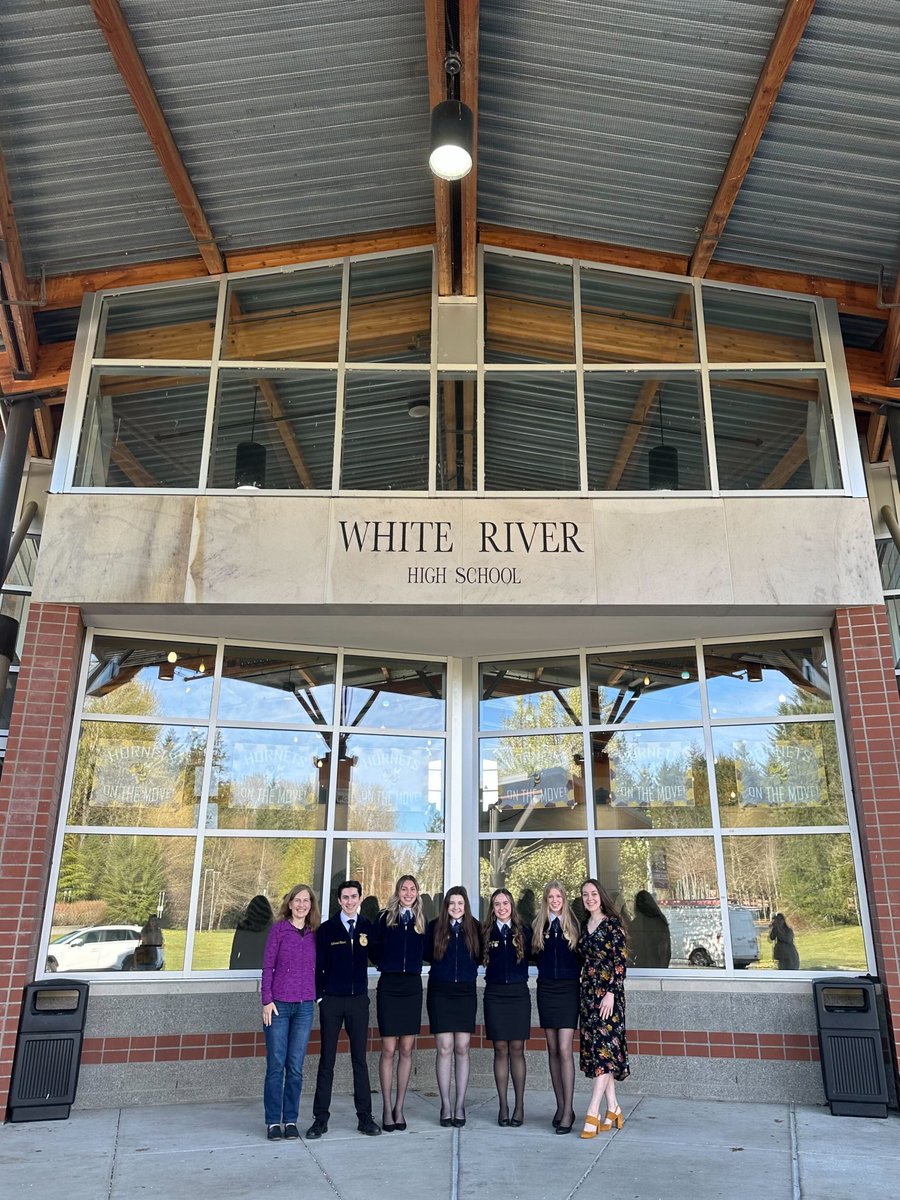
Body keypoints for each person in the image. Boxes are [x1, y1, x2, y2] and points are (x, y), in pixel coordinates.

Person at [306, 880, 381, 1138]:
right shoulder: (327, 930)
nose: (350, 901)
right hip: (332, 1002)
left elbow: (379, 956)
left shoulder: (366, 927)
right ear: (339, 901)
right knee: (327, 1059)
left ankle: (365, 1118)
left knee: (360, 1060)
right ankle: (320, 1119)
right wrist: (319, 998)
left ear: (360, 899)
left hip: (358, 1001)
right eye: (345, 897)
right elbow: (317, 966)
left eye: (354, 897)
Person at [261, 884, 319, 1140]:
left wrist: (319, 995)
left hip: (305, 1007)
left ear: (311, 905)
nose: (301, 905)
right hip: (278, 1007)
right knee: (276, 1065)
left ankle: (291, 1120)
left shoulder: (315, 934)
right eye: (297, 900)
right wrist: (266, 1000)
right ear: (290, 903)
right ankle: (274, 1121)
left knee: (295, 1066)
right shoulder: (279, 930)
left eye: (306, 901)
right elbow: (267, 966)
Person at [370, 874, 426, 1131]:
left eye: (412, 889)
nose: (408, 893)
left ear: (417, 892)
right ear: (397, 892)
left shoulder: (422, 921)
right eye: (404, 889)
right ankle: (385, 1107)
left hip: (412, 988)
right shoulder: (384, 918)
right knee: (389, 1049)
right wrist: (385, 964)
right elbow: (372, 948)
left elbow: (429, 950)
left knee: (406, 1049)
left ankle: (400, 1108)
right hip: (390, 987)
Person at [424, 886, 482, 1128]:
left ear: (465, 905)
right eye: (452, 903)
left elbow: (479, 957)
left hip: (465, 993)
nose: (456, 907)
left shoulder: (476, 928)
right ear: (446, 906)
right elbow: (427, 954)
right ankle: (446, 1105)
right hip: (440, 993)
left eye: (460, 903)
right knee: (445, 1047)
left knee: (462, 1047)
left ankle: (460, 1105)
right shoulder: (434, 927)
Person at [578, 878, 629, 1139]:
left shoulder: (612, 924)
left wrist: (610, 993)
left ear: (601, 895)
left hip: (608, 997)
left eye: (594, 893)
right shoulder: (583, 925)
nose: (590, 898)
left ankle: (592, 1112)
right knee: (600, 1052)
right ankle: (614, 1109)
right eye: (585, 894)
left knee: (604, 1052)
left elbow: (620, 963)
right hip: (587, 995)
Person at [532, 880, 580, 1134]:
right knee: (551, 1049)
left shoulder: (574, 926)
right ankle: (560, 1106)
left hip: (569, 990)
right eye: (550, 896)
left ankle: (569, 1109)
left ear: (564, 898)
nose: (554, 900)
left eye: (558, 896)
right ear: (546, 900)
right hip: (547, 990)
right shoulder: (539, 926)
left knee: (564, 1049)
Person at [483, 887, 533, 1127]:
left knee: (517, 1049)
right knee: (500, 1048)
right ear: (492, 909)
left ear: (512, 906)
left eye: (505, 903)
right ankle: (503, 1106)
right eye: (497, 904)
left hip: (518, 995)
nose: (502, 907)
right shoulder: (486, 932)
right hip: (494, 995)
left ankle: (520, 1106)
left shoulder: (524, 931)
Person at [627, 890, 671, 969]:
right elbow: (666, 950)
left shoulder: (635, 924)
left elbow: (630, 951)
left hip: (641, 968)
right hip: (659, 966)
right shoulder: (660, 921)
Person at [230, 894, 274, 970]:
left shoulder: (243, 927)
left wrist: (232, 972)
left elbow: (235, 951)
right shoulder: (272, 928)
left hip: (244, 967)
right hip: (263, 968)